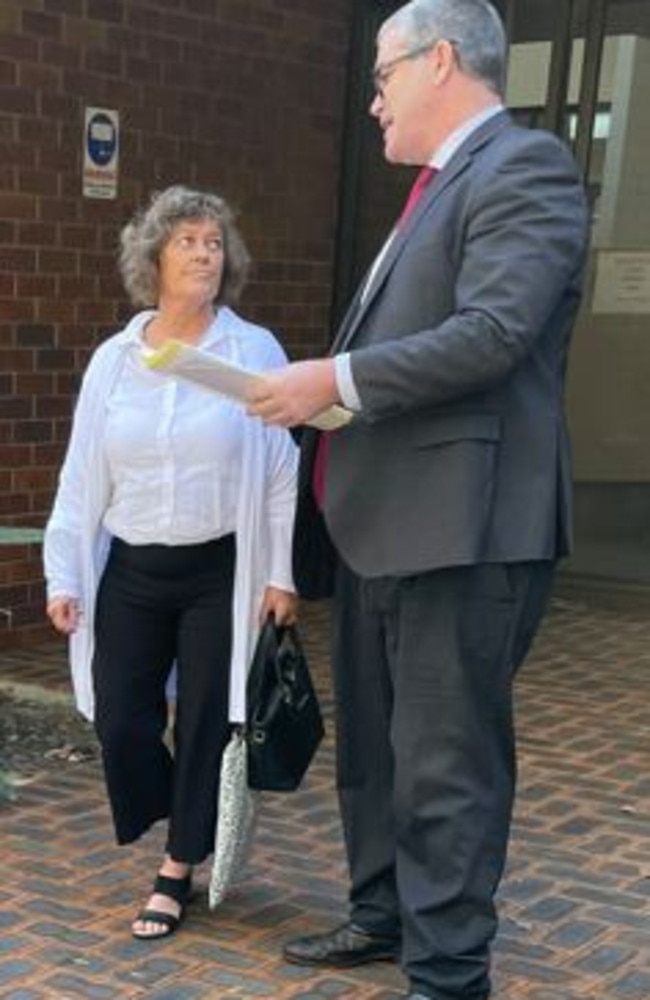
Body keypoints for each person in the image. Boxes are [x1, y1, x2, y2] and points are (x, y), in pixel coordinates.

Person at [246, 1, 588, 997]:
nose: (371, 102)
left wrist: (333, 381)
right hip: (381, 525)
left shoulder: (521, 168)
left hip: (464, 528)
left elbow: (492, 333)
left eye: (383, 75)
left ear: (439, 62)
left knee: (446, 764)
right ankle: (381, 911)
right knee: (377, 752)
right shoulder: (435, 191)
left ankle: (445, 972)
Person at [43, 185, 298, 941]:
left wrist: (280, 572)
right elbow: (81, 471)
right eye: (187, 240)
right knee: (121, 718)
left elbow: (281, 470)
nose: (203, 253)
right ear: (152, 257)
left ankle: (177, 866)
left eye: (214, 242)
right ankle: (180, 809)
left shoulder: (252, 351)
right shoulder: (115, 361)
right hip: (133, 567)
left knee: (206, 727)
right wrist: (64, 573)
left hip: (219, 569)